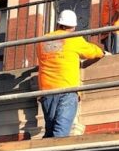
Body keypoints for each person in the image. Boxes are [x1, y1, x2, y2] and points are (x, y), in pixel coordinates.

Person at [37, 9, 103, 138]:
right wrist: (103, 52)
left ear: (58, 23)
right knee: (60, 133)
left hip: (46, 91)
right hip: (66, 89)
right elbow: (93, 52)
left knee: (50, 132)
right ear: (73, 26)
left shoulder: (43, 41)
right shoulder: (73, 39)